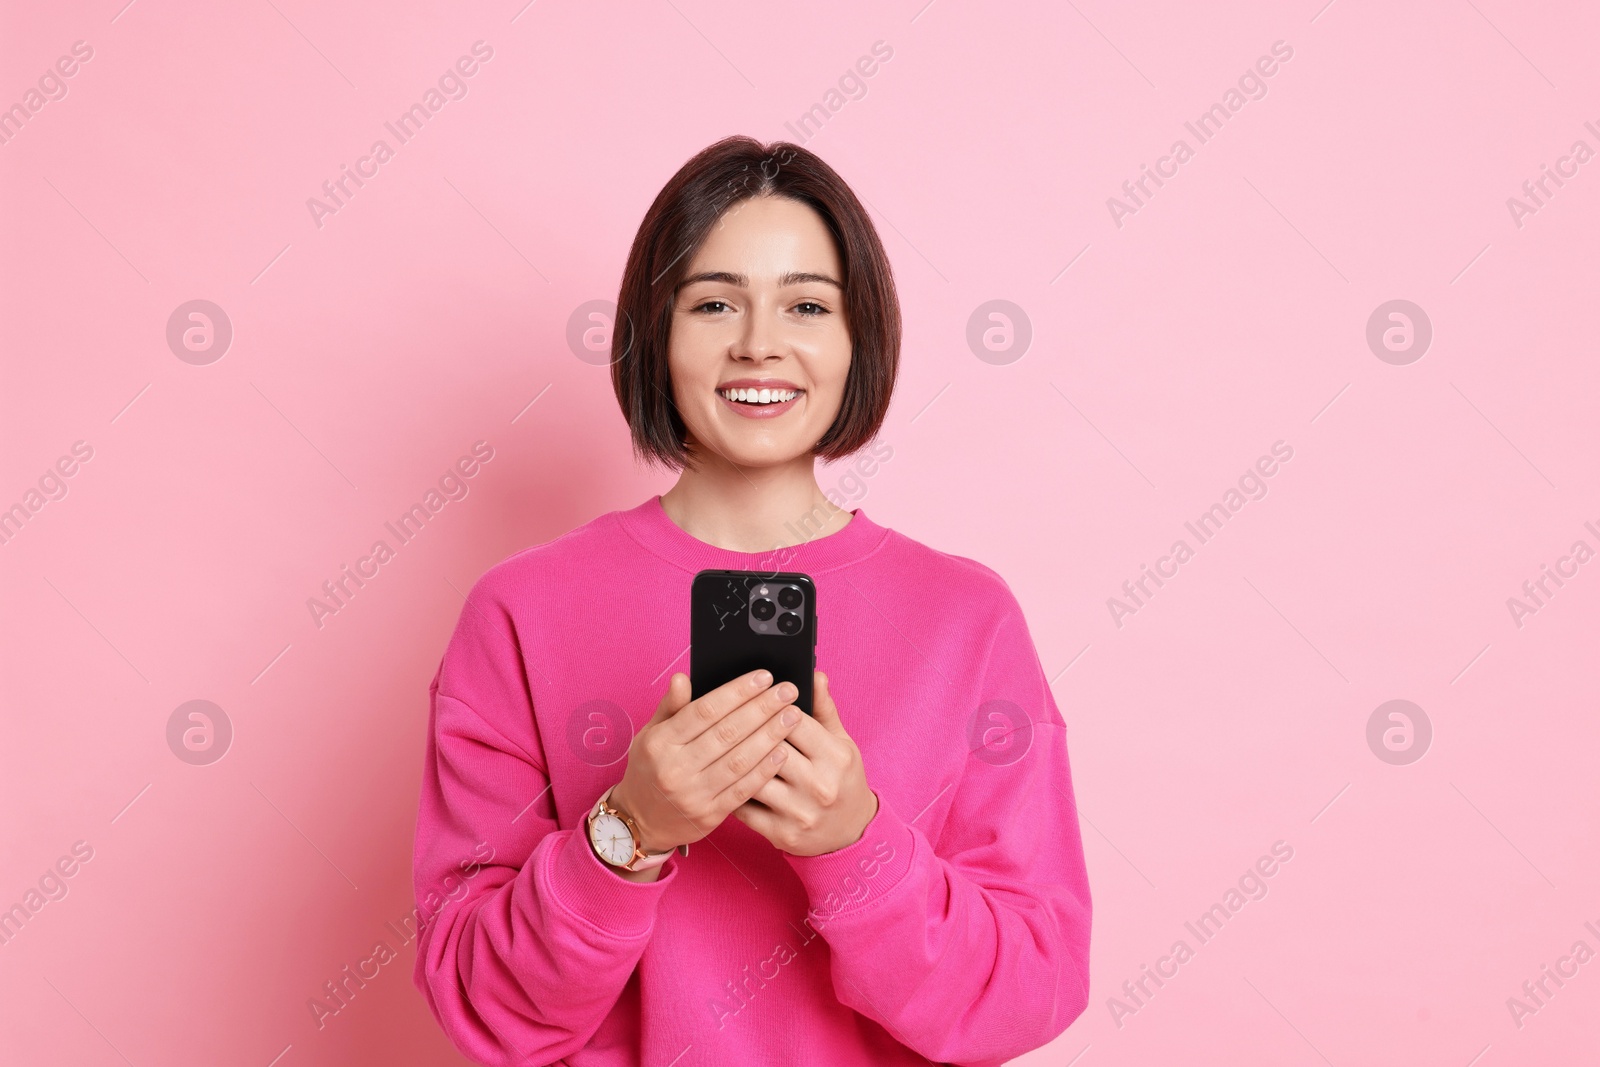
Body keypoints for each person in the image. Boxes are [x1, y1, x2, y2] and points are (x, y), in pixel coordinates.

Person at [411, 135, 1091, 1066]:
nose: (758, 342)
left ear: (861, 340)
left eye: (807, 304)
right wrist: (630, 829)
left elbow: (1026, 992)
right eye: (715, 302)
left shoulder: (966, 620)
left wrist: (854, 842)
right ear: (657, 333)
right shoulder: (519, 611)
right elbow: (483, 1005)